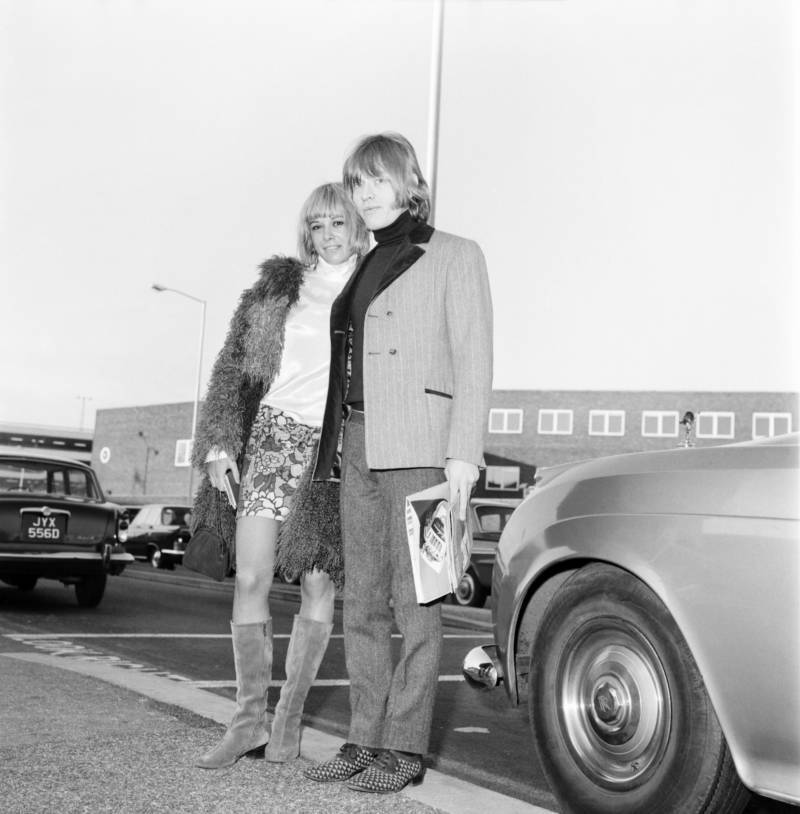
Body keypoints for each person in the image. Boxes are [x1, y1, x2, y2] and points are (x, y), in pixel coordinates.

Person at [305, 133, 493, 793]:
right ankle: (363, 739)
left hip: (424, 450)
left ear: (409, 181)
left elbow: (474, 359)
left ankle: (405, 751)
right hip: (357, 444)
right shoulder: (363, 264)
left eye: (378, 179)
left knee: (421, 604)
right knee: (361, 604)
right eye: (358, 184)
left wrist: (464, 454)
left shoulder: (455, 256)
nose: (367, 194)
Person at [190, 182, 368, 769]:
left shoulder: (376, 285)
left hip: (335, 452)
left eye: (337, 222)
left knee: (319, 584)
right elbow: (231, 368)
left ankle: (288, 722)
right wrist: (218, 442)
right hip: (272, 437)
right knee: (251, 579)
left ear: (357, 224)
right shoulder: (278, 289)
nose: (328, 236)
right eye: (317, 226)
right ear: (306, 234)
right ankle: (247, 723)